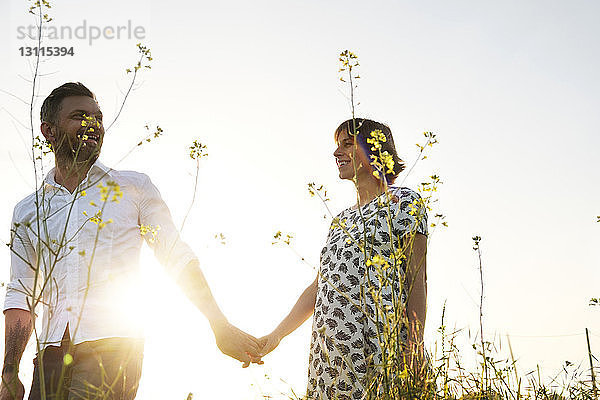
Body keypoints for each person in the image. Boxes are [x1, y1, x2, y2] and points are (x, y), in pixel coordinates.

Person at [0, 82, 262, 400]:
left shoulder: (133, 188)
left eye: (97, 116)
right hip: (50, 356)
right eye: (79, 116)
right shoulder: (28, 209)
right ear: (49, 131)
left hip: (112, 349)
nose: (92, 124)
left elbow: (174, 256)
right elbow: (22, 294)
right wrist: (10, 372)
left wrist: (219, 324)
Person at [259, 118, 428, 399]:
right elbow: (318, 288)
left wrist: (414, 345)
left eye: (348, 144)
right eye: (337, 146)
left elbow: (417, 279)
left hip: (379, 346)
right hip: (331, 357)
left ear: (376, 148)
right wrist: (277, 335)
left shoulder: (405, 202)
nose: (337, 153)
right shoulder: (339, 221)